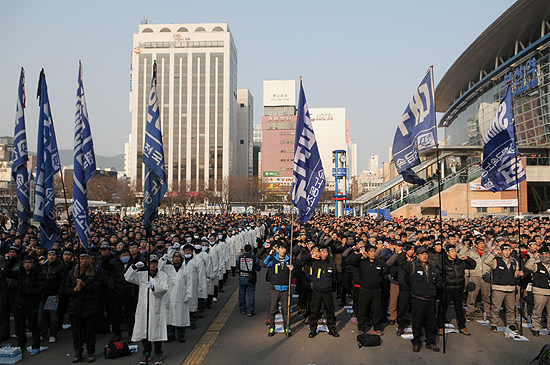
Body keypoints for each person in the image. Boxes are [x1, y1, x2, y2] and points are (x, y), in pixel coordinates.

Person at [125, 254, 168, 365]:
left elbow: (164, 289)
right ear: (148, 264)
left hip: (156, 307)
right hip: (144, 307)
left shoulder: (162, 275)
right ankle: (146, 353)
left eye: (155, 262)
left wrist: (154, 287)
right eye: (151, 262)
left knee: (156, 331)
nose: (153, 264)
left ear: (157, 263)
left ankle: (158, 353)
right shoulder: (142, 275)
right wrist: (134, 267)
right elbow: (128, 277)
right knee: (144, 331)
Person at [397, 246, 440, 353]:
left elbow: (437, 282)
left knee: (431, 323)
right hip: (418, 299)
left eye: (426, 254)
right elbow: (401, 262)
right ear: (418, 256)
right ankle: (416, 342)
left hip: (430, 299)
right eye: (422, 254)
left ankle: (430, 342)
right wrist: (404, 251)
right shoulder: (412, 266)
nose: (425, 256)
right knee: (417, 322)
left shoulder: (433, 268)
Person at [65, 253, 100, 363]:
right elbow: (66, 289)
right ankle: (77, 352)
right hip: (76, 306)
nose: (84, 261)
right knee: (77, 332)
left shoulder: (94, 272)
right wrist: (74, 290)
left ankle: (90, 351)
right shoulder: (72, 273)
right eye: (82, 258)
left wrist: (85, 285)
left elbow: (96, 288)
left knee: (90, 331)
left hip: (89, 305)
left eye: (86, 258)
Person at [436, 245, 476, 336]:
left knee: (459, 309)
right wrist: (441, 286)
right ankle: (440, 326)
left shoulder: (460, 262)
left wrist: (467, 258)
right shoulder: (442, 263)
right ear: (447, 253)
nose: (454, 253)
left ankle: (462, 326)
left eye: (455, 251)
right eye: (452, 252)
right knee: (442, 309)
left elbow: (473, 265)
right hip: (446, 290)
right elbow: (437, 276)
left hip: (458, 289)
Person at [347, 245, 385, 336]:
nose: (373, 254)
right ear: (367, 253)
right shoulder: (362, 262)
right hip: (364, 290)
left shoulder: (379, 263)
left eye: (374, 252)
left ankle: (377, 328)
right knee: (363, 310)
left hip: (376, 291)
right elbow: (350, 261)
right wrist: (360, 254)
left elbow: (382, 275)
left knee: (377, 311)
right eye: (370, 252)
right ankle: (361, 328)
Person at [484, 243, 523, 332]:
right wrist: (494, 254)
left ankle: (511, 323)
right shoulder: (496, 260)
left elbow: (515, 274)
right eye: (505, 250)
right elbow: (486, 262)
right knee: (496, 307)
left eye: (508, 250)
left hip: (511, 288)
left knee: (511, 308)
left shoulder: (514, 261)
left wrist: (519, 274)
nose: (507, 252)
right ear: (501, 251)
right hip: (498, 288)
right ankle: (494, 323)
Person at [159, 251, 192, 343]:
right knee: (169, 316)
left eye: (178, 257)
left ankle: (181, 334)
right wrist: (162, 260)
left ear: (181, 258)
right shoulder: (168, 268)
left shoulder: (186, 270)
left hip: (181, 296)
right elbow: (158, 270)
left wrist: (188, 295)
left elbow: (189, 284)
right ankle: (170, 335)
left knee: (181, 316)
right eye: (174, 257)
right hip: (169, 296)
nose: (176, 258)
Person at [307, 247, 339, 338]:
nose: (325, 254)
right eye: (323, 252)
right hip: (317, 290)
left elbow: (334, 277)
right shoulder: (314, 262)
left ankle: (332, 329)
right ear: (319, 253)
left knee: (330, 310)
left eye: (326, 252)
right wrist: (312, 256)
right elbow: (303, 260)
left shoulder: (331, 263)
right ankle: (313, 329)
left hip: (327, 290)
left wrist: (332, 287)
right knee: (314, 310)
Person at [264, 243, 293, 337]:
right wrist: (269, 254)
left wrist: (293, 270)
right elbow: (263, 264)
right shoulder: (273, 259)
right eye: (281, 248)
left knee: (285, 310)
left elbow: (293, 275)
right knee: (272, 309)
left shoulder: (290, 260)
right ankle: (272, 327)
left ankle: (287, 327)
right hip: (275, 288)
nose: (283, 250)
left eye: (285, 248)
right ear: (278, 249)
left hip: (285, 289)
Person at [38, 249, 65, 343]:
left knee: (53, 317)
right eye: (49, 255)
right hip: (43, 294)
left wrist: (59, 293)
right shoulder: (42, 266)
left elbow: (62, 281)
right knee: (41, 317)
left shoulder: (60, 267)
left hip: (53, 295)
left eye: (53, 255)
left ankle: (53, 334)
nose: (51, 257)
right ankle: (43, 334)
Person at [524, 247, 549, 336]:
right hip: (539, 291)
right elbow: (527, 266)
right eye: (544, 254)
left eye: (548, 254)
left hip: (549, 291)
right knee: (538, 311)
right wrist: (534, 257)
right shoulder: (537, 264)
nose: (547, 257)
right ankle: (536, 328)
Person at [237, 244, 261, 316]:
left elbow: (237, 266)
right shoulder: (254, 258)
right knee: (251, 294)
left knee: (241, 294)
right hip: (251, 278)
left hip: (242, 277)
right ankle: (250, 311)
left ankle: (242, 309)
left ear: (244, 250)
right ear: (251, 250)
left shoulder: (240, 257)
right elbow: (258, 268)